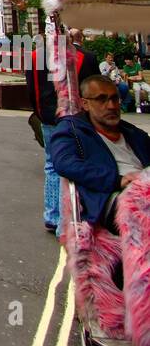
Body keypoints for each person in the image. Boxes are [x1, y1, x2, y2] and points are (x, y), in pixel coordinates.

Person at [50, 72, 150, 231]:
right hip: (112, 198)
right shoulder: (72, 130)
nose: (111, 105)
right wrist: (117, 180)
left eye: (114, 98)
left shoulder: (132, 133)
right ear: (85, 104)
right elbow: (65, 163)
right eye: (101, 99)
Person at [25, 40, 61, 234]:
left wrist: (39, 113)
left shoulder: (35, 56)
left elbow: (31, 90)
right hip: (72, 118)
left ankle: (52, 216)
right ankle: (65, 219)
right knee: (70, 165)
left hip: (47, 116)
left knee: (52, 165)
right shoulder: (81, 56)